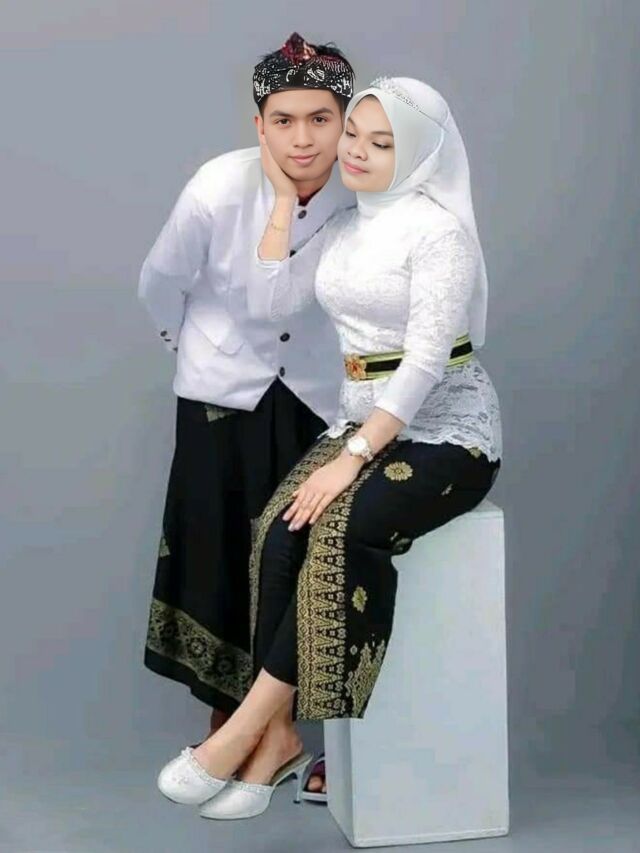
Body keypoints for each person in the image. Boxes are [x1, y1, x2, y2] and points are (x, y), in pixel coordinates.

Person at [155, 76, 503, 820]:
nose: (356, 152)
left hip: (446, 434)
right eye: (354, 135)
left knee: (342, 527)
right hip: (357, 426)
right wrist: (284, 202)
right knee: (281, 527)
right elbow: (275, 301)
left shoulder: (437, 234)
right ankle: (280, 741)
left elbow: (426, 361)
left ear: (421, 156)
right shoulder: (348, 224)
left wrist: (353, 456)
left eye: (383, 143)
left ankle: (245, 730)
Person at [138, 32, 355, 758]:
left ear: (346, 120)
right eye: (284, 120)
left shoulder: (362, 193)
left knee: (299, 554)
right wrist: (197, 352)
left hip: (317, 397)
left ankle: (298, 734)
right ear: (259, 123)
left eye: (320, 119)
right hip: (220, 398)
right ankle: (232, 719)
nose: (303, 139)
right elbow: (160, 282)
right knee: (219, 548)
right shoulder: (217, 187)